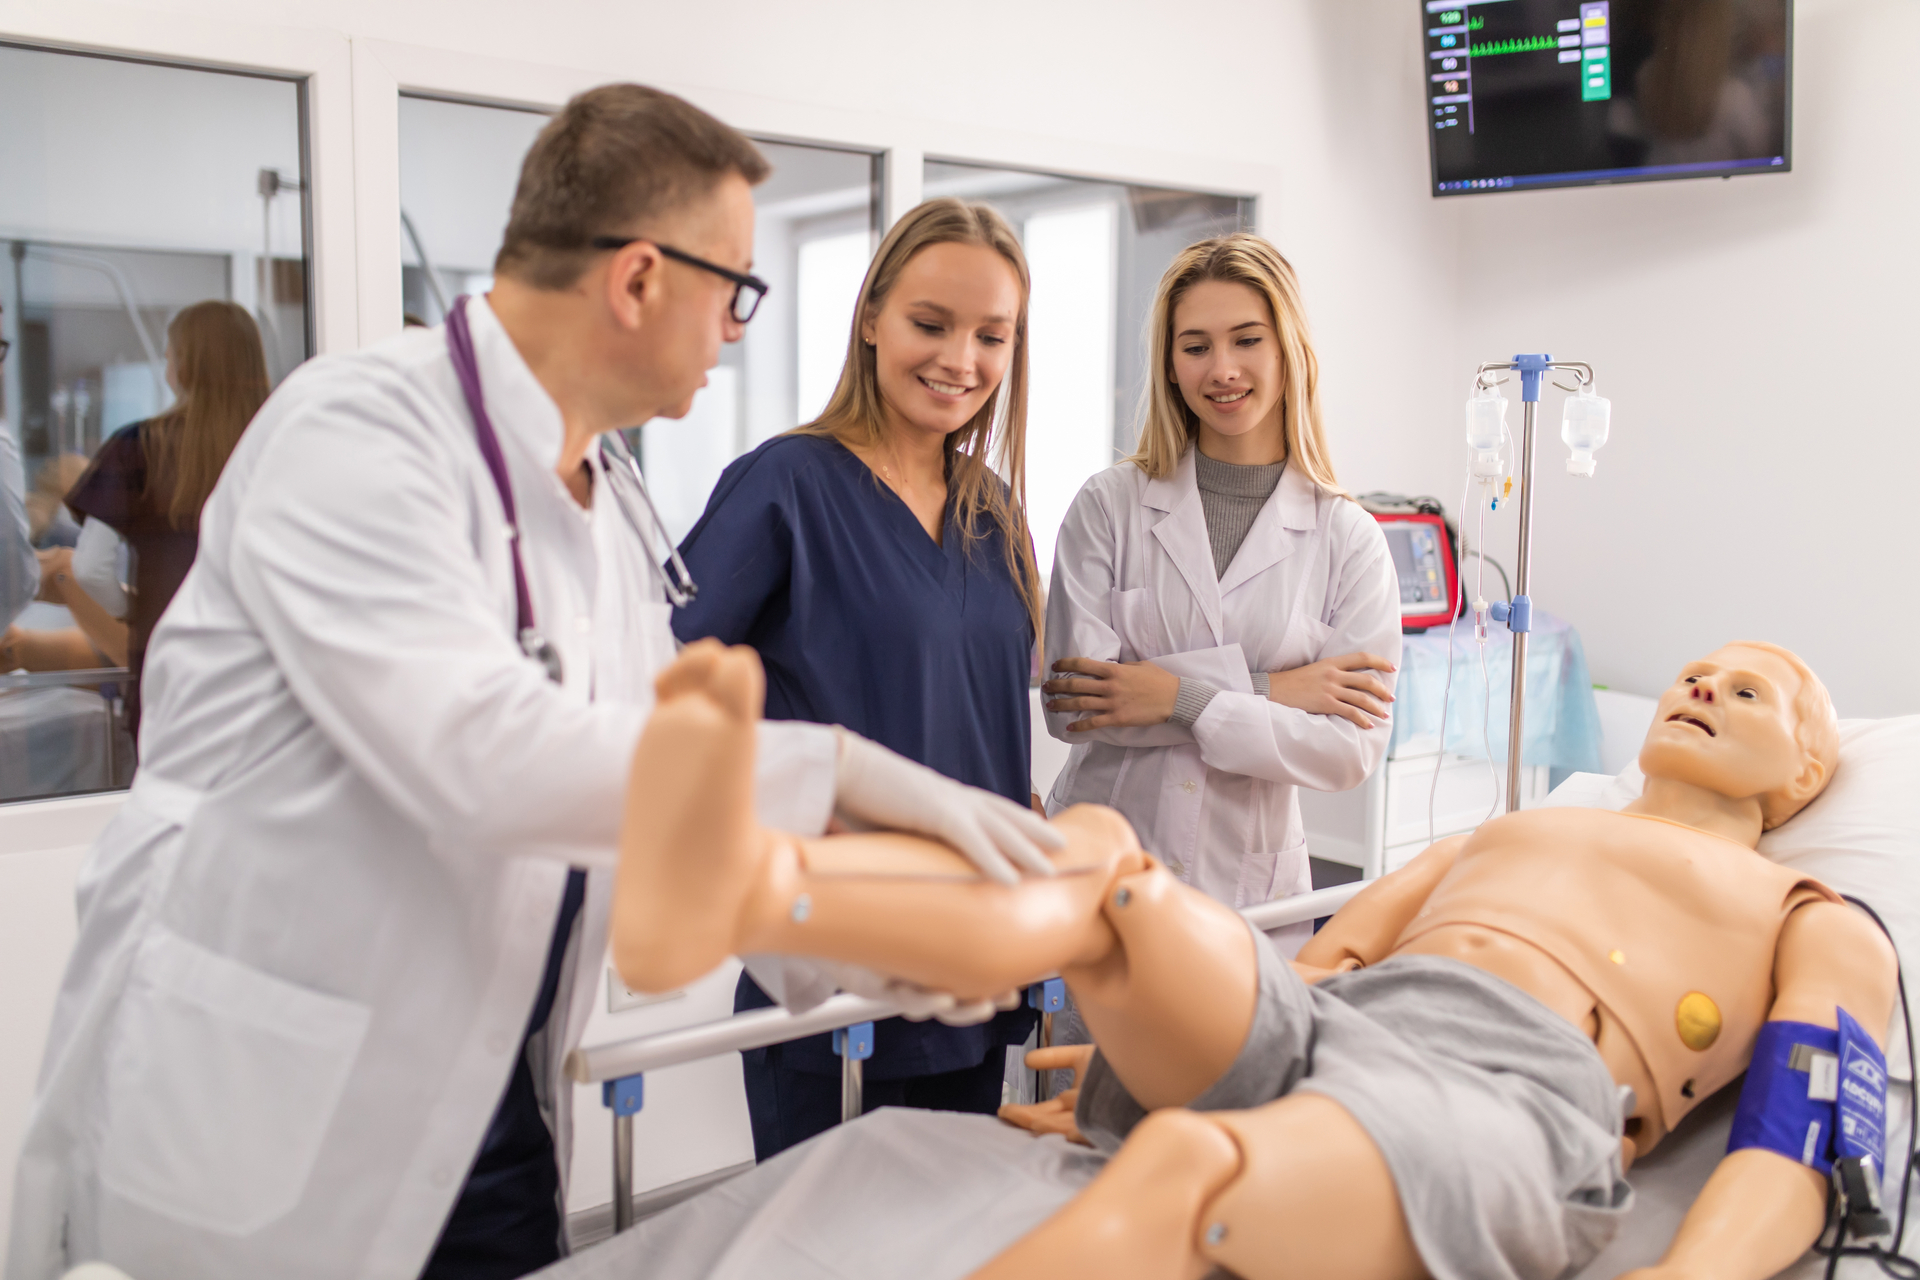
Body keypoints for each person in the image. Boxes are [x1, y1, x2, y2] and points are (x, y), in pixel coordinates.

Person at [6, 84, 1057, 1280]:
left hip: (486, 1094)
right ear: (640, 280)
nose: (736, 331)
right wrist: (844, 772)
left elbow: (655, 809)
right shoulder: (357, 433)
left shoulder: (604, 505)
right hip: (264, 1101)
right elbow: (487, 756)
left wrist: (872, 953)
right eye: (736, 293)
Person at [584, 636, 1894, 1280]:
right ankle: (752, 886)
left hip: (1503, 1096)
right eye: (1699, 669)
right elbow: (1333, 960)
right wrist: (1160, 1038)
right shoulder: (1520, 823)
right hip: (1341, 1024)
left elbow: (1805, 1138)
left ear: (1810, 770)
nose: (1705, 684)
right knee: (1103, 857)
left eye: (1753, 689)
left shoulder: (1809, 910)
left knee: (1189, 1162)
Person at [668, 198, 1049, 1159]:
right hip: (836, 962)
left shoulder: (991, 510)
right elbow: (661, 694)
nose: (960, 360)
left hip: (974, 962)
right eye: (930, 324)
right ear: (871, 315)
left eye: (989, 336)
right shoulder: (787, 485)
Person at [1039, 233, 1401, 922]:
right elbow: (1075, 709)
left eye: (1247, 340)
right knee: (1086, 1036)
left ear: (1287, 349)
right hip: (1104, 870)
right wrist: (1274, 692)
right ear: (1170, 365)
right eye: (1196, 346)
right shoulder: (1108, 505)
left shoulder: (1347, 539)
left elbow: (1346, 752)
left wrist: (1178, 698)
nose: (1222, 368)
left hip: (1248, 894)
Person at [40, 301, 269, 731]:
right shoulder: (278, 444)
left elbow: (90, 568)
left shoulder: (137, 446)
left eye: (168, 357)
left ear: (184, 365)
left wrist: (134, 609)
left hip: (169, 661)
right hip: (263, 661)